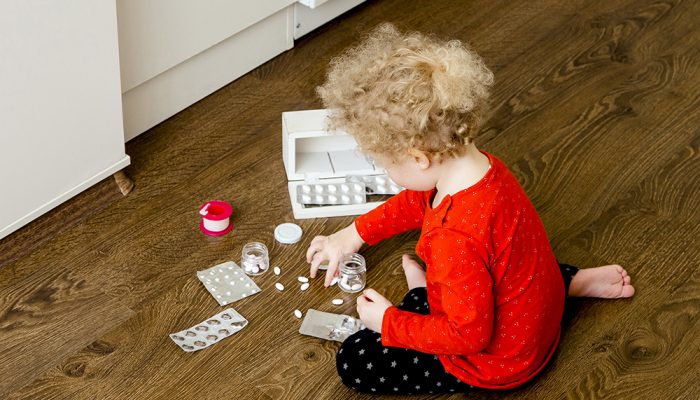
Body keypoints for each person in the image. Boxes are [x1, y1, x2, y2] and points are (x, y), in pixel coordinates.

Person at [304, 23, 635, 394]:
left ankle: (423, 297)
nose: (387, 171)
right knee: (516, 262)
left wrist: (388, 322)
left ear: (419, 158)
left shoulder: (453, 238)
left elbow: (468, 336)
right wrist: (353, 234)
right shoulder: (484, 169)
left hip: (500, 361)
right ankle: (569, 283)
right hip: (534, 310)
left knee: (355, 358)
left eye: (385, 163)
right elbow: (420, 201)